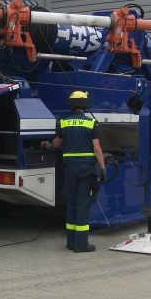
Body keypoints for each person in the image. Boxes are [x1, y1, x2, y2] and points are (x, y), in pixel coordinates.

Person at [52, 91, 106, 253]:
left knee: (72, 203)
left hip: (69, 169)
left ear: (71, 105)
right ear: (85, 105)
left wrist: (47, 145)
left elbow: (56, 144)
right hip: (86, 169)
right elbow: (97, 149)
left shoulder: (64, 123)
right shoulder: (91, 123)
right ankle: (81, 245)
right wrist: (103, 168)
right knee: (83, 204)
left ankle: (70, 242)